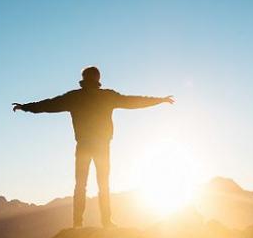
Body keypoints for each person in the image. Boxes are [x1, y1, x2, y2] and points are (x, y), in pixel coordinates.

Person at [13, 66, 174, 228]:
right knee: (103, 184)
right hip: (102, 147)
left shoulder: (75, 97)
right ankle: (106, 222)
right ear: (98, 78)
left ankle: (77, 223)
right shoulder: (107, 96)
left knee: (80, 185)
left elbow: (48, 105)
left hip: (83, 146)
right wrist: (159, 100)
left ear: (83, 78)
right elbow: (134, 101)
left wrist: (26, 107)